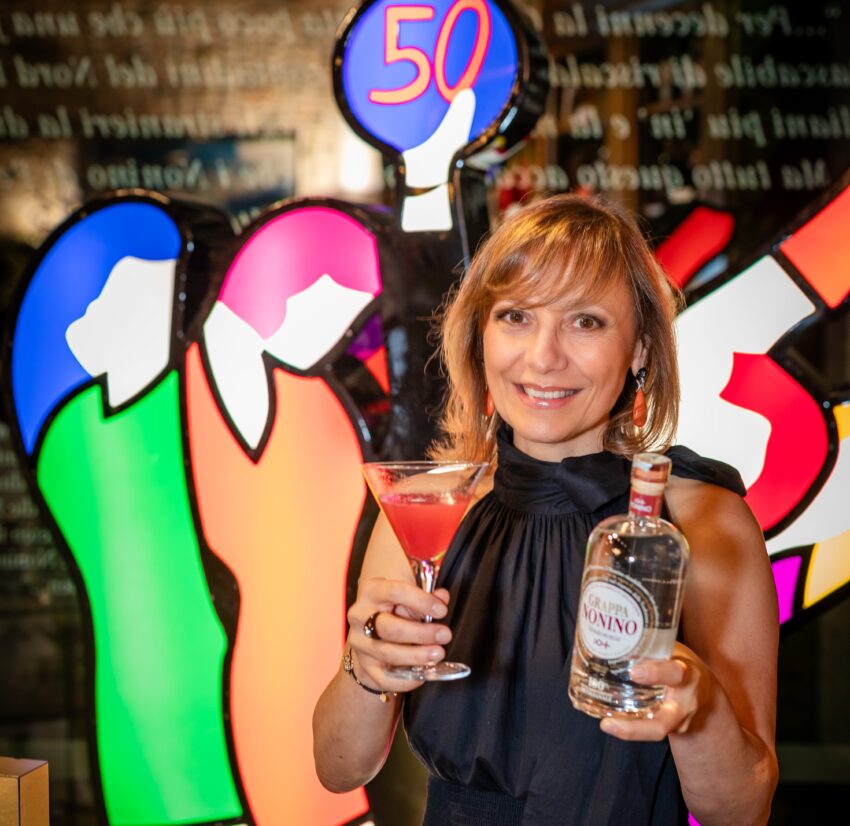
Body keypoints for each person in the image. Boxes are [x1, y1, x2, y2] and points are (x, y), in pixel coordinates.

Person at [313, 193, 779, 825]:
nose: (542, 357)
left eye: (586, 321)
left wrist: (700, 709)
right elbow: (338, 768)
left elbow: (742, 812)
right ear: (480, 336)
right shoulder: (432, 509)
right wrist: (365, 667)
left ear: (640, 348)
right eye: (516, 316)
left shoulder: (704, 525)